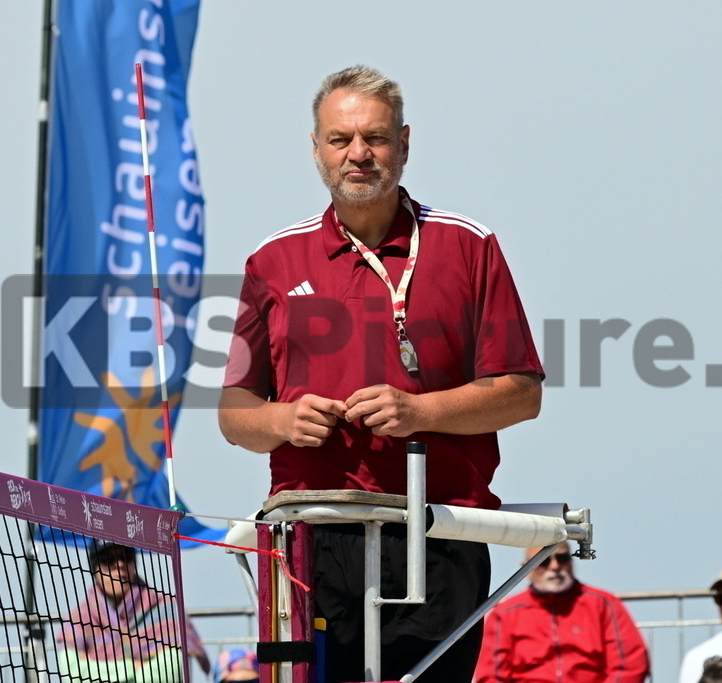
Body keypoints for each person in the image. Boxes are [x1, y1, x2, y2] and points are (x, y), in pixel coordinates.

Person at [219, 64, 544, 683]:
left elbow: (521, 393)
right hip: (309, 536)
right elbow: (234, 414)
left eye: (376, 137)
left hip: (436, 528)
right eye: (341, 139)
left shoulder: (468, 246)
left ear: (405, 143)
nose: (359, 154)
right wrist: (283, 419)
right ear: (316, 148)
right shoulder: (272, 260)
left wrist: (419, 411)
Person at [474, 542, 650, 682]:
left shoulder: (603, 605)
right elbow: (491, 675)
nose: (555, 566)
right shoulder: (505, 615)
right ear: (525, 569)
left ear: (572, 562)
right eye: (543, 561)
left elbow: (630, 664)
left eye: (563, 558)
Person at [56, 541, 210, 682]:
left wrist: (98, 671)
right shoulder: (79, 618)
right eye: (108, 559)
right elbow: (72, 674)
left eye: (126, 556)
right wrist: (131, 668)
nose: (120, 564)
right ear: (94, 568)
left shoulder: (166, 608)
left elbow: (171, 668)